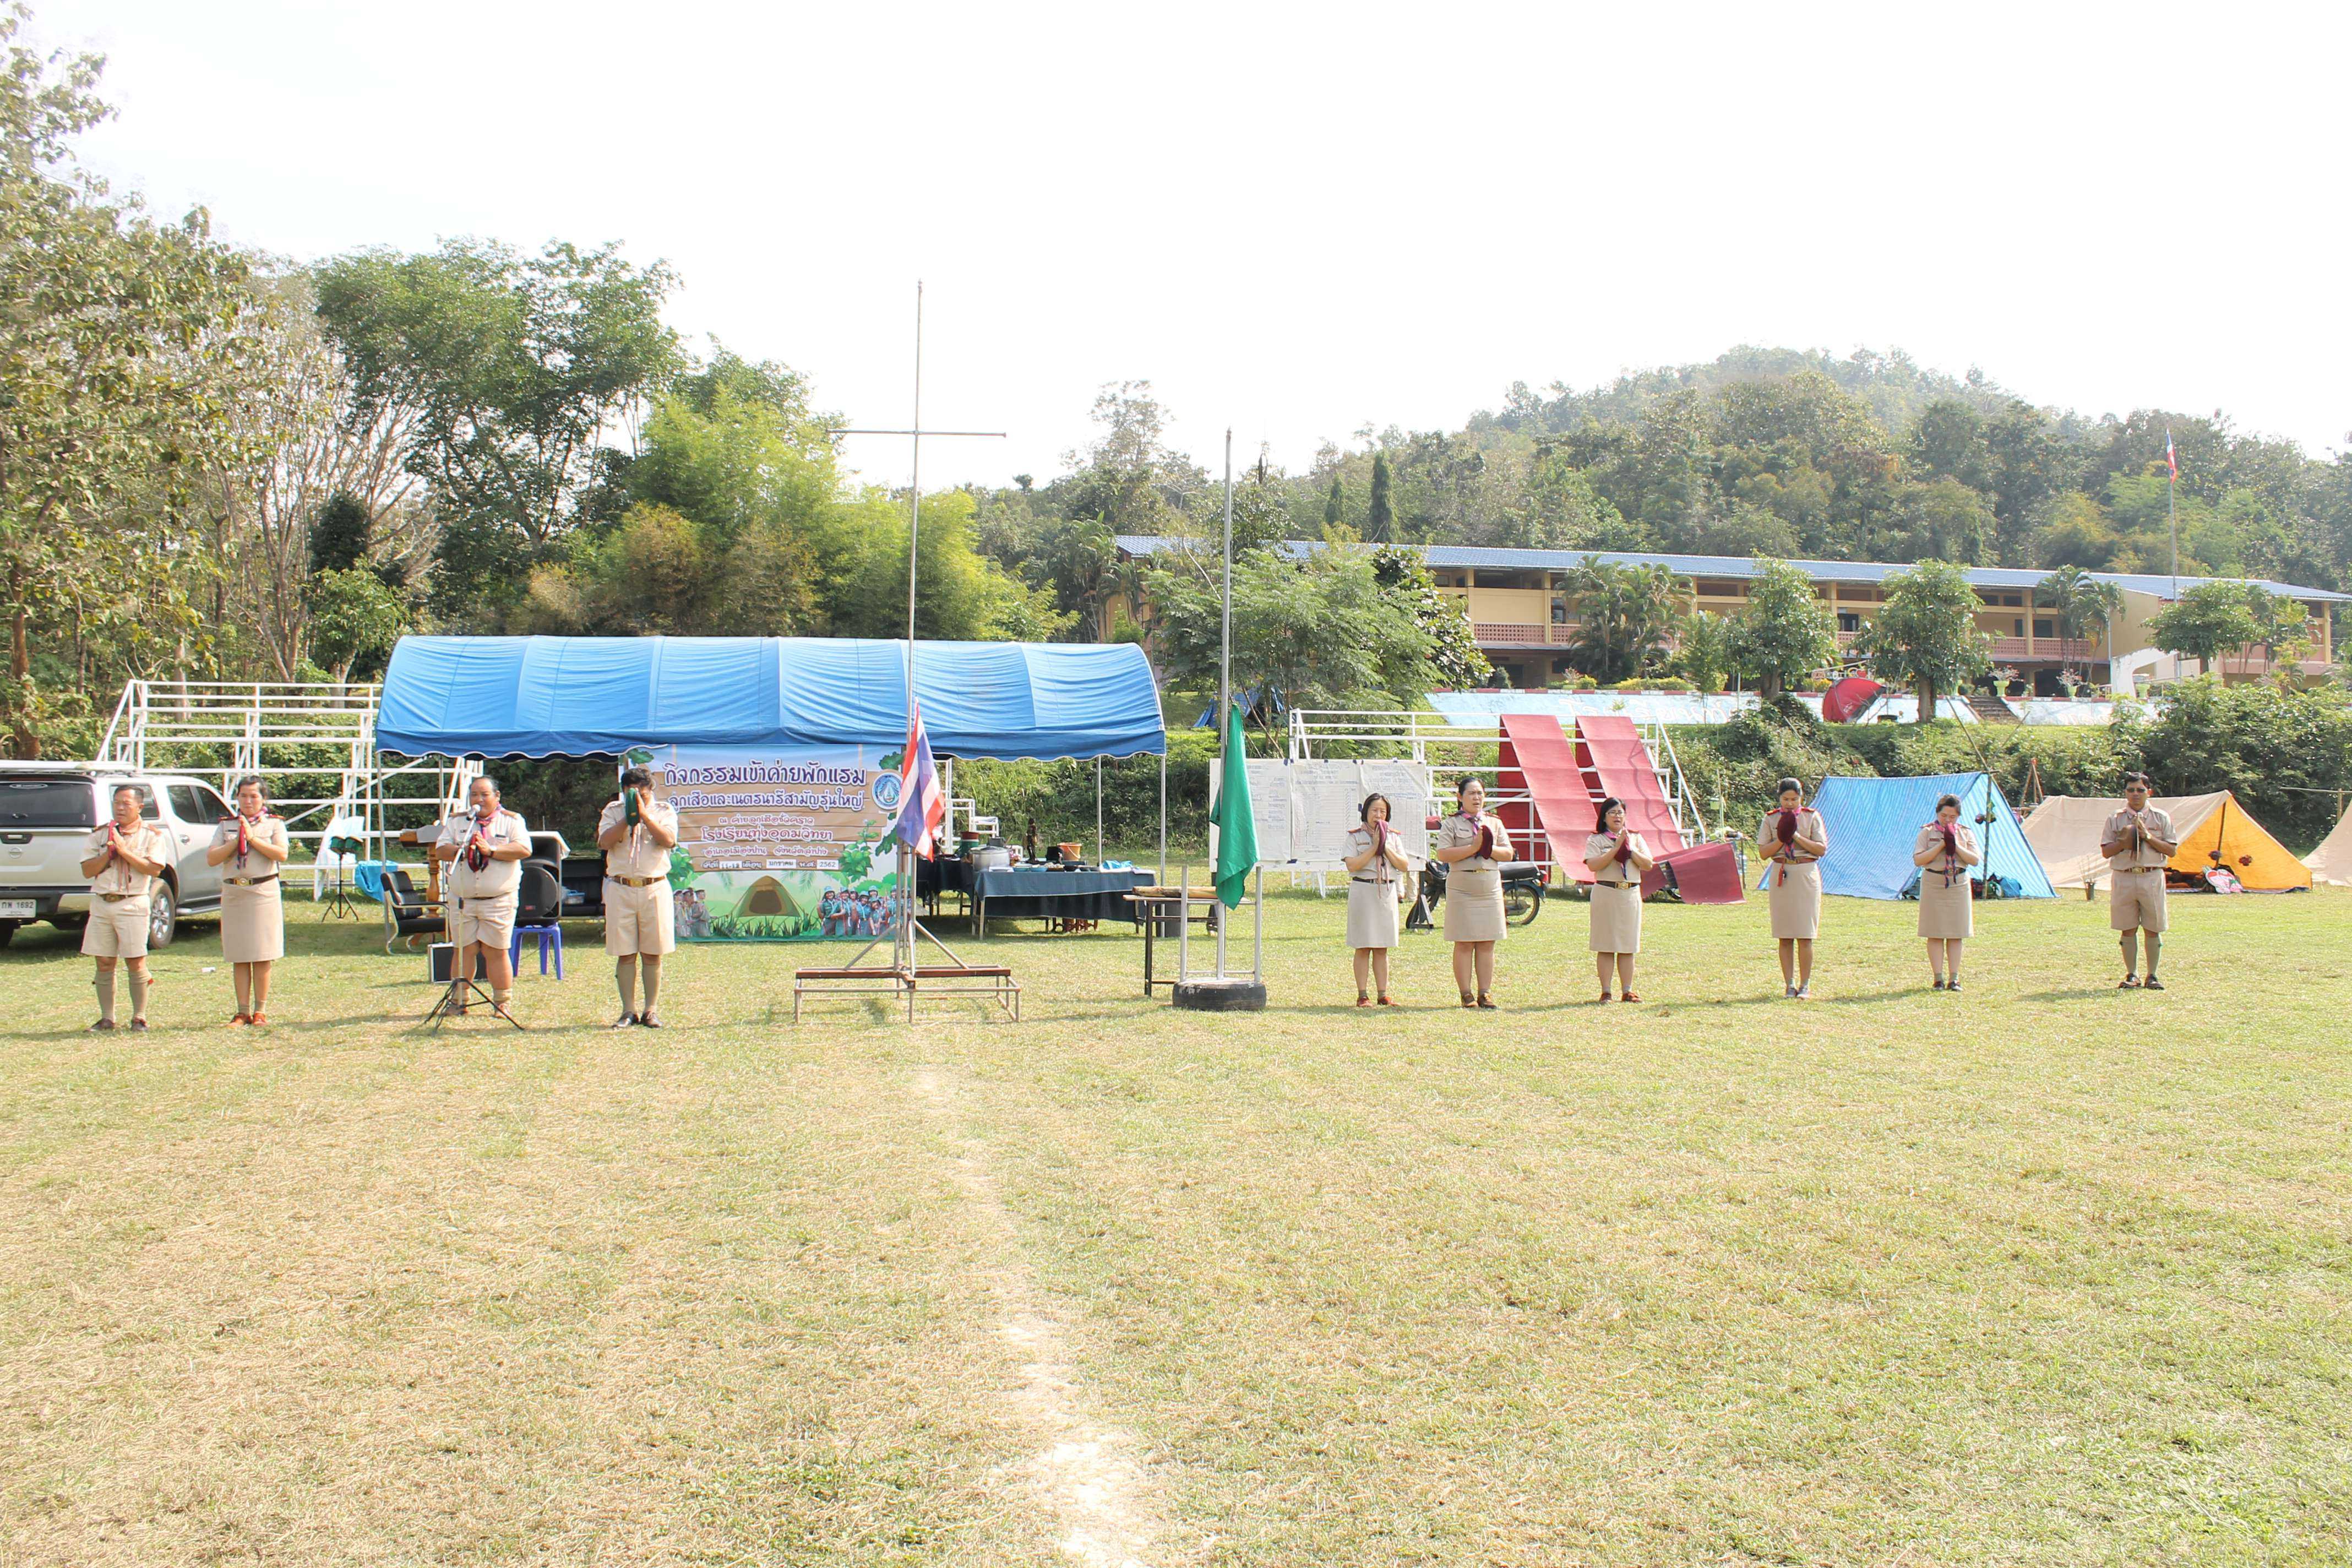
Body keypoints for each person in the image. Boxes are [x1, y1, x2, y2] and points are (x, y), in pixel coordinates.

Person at [432, 776, 533, 1019]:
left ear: (497, 797)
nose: (479, 800)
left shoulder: (511, 821)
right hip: (463, 901)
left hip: (497, 900)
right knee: (463, 950)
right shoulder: (459, 822)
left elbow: (524, 849)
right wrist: (462, 849)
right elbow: (441, 850)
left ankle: (502, 1002)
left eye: (485, 795)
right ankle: (459, 1002)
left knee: (495, 950)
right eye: (474, 795)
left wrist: (492, 850)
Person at [79, 783, 171, 1031]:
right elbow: (87, 870)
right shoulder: (101, 834)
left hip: (132, 902)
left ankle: (139, 1017)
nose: (120, 808)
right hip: (103, 902)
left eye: (126, 804)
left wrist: (123, 851)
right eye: (117, 803)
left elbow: (154, 869)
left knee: (135, 961)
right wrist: (108, 855)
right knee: (104, 962)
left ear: (140, 807)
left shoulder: (151, 835)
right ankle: (107, 1018)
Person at [597, 765, 679, 1028]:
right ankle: (628, 1010)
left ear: (650, 789)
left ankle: (651, 1010)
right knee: (625, 953)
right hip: (621, 887)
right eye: (630, 793)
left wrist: (645, 816)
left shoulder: (663, 810)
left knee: (653, 953)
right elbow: (604, 842)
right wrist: (628, 818)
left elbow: (668, 840)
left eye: (642, 793)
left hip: (653, 887)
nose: (636, 797)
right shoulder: (613, 811)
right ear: (623, 791)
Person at [205, 776, 290, 1025]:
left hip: (262, 890)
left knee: (263, 952)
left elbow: (281, 854)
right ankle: (242, 1011)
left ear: (264, 798)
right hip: (235, 892)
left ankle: (260, 1010)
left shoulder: (273, 824)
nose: (248, 801)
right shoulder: (226, 825)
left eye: (254, 796)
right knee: (239, 953)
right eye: (243, 796)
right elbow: (212, 858)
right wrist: (236, 840)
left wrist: (252, 838)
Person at [1432, 775, 1510, 1008]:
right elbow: (1443, 854)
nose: (1477, 798)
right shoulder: (1452, 824)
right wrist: (1473, 847)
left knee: (1487, 942)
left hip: (1489, 886)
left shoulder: (1494, 823)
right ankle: (1466, 994)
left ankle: (1485, 993)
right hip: (1462, 887)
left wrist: (1487, 847)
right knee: (1464, 942)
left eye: (1480, 793)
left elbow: (1508, 853)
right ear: (1460, 797)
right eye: (1471, 793)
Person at [2099, 771, 2177, 989]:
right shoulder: (2115, 818)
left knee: (2153, 926)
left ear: (2149, 792)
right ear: (2125, 793)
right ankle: (2132, 974)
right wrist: (2123, 842)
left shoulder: (2160, 817)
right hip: (2124, 876)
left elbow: (2172, 850)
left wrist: (2148, 837)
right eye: (2131, 790)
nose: (2135, 794)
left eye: (2140, 790)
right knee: (2127, 926)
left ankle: (2152, 975)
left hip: (2151, 875)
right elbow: (2106, 851)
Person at [1761, 776, 1828, 999]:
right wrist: (1782, 838)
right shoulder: (1771, 819)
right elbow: (1763, 852)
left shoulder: (1811, 817)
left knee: (1805, 934)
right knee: (1785, 934)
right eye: (1785, 799)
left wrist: (1796, 835)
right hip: (1782, 872)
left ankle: (1805, 985)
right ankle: (1789, 984)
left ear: (1801, 798)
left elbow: (1821, 849)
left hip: (1805, 873)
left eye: (1794, 799)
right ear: (1779, 798)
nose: (1790, 804)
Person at [1583, 796, 1654, 1003]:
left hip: (1629, 894)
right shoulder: (1596, 840)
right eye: (1612, 812)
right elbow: (1593, 865)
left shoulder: (1636, 838)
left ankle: (1627, 990)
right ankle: (1606, 991)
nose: (1617, 816)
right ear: (1604, 817)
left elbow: (1648, 864)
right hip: (1606, 892)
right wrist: (1616, 849)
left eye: (1620, 812)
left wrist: (1630, 849)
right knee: (1606, 943)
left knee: (1628, 944)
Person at [1341, 792, 1409, 1006]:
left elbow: (1403, 865)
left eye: (1383, 811)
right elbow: (1352, 865)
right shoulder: (1355, 837)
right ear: (1366, 813)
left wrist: (1385, 846)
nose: (1378, 815)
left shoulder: (1394, 837)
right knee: (1363, 946)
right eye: (1374, 811)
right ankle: (1362, 995)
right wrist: (1374, 848)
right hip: (1363, 890)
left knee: (1382, 946)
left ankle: (1383, 994)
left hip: (1386, 892)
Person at [1910, 792, 1982, 991]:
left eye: (1953, 817)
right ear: (1937, 813)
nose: (1948, 820)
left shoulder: (1965, 833)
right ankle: (1938, 979)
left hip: (1958, 883)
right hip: (1934, 882)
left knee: (1956, 933)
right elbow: (1919, 860)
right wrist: (1942, 843)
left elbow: (1974, 860)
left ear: (1959, 816)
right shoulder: (1927, 832)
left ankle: (1954, 979)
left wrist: (1955, 845)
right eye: (1944, 816)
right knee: (1934, 932)